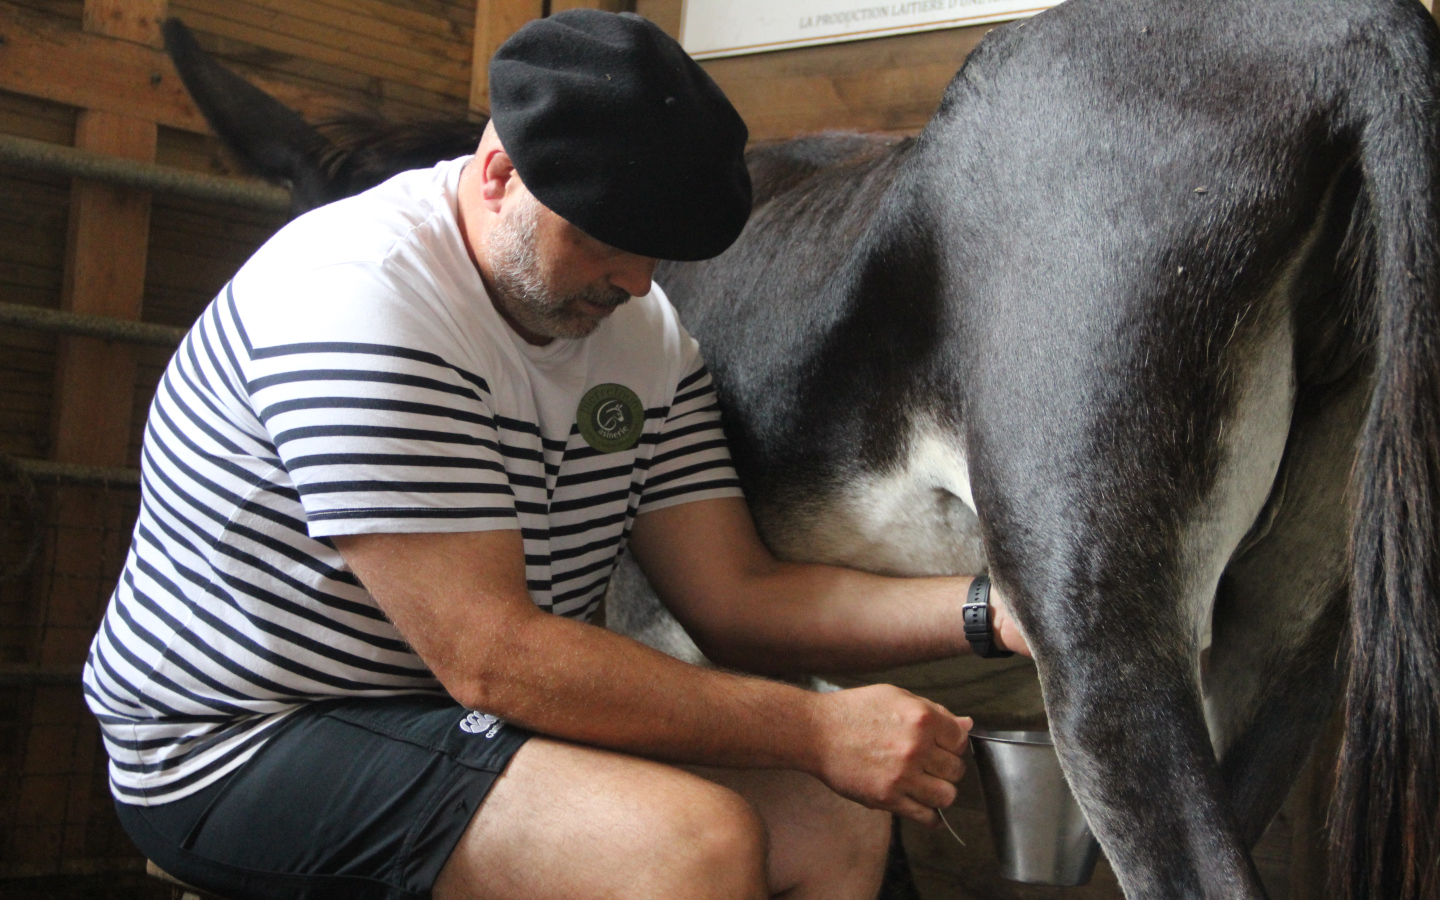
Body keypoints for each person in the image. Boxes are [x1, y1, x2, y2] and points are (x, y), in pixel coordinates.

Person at [83, 10, 1029, 900]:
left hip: (458, 721)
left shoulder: (639, 330)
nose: (632, 282)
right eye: (604, 243)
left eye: (654, 255)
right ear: (498, 173)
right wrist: (819, 726)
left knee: (835, 821)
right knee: (688, 846)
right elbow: (494, 658)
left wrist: (996, 610)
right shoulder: (362, 303)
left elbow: (737, 594)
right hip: (244, 741)